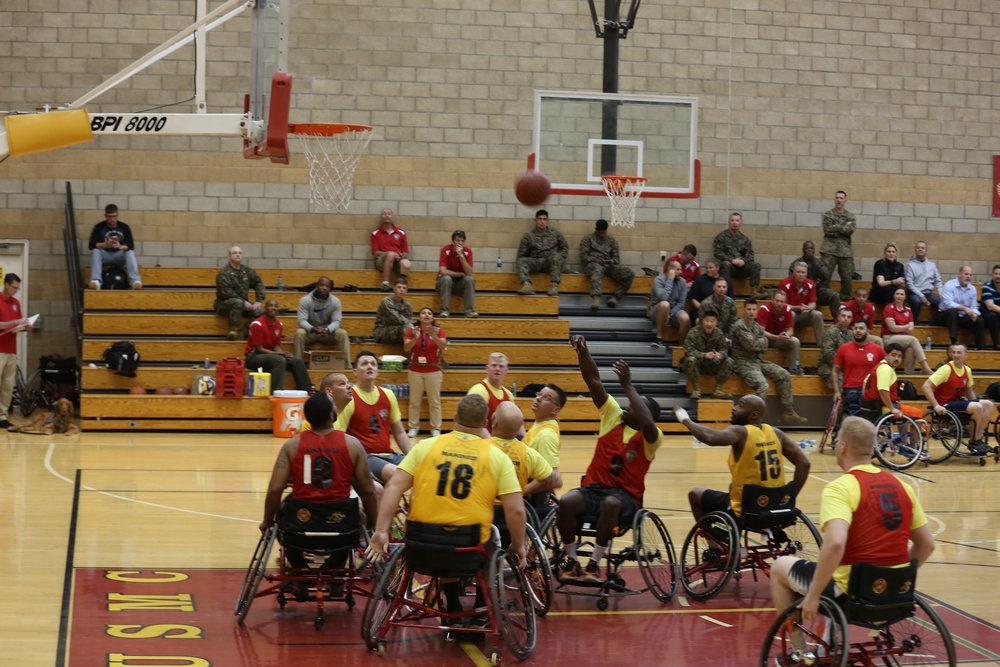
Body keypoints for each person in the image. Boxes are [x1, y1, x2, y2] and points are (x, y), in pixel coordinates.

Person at [769, 417, 935, 650]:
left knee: (779, 567)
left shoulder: (840, 488)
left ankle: (799, 652)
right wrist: (896, 580)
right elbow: (927, 545)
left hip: (851, 592)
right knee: (838, 568)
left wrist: (813, 596)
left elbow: (835, 543)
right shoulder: (903, 486)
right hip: (893, 592)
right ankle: (827, 643)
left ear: (843, 446)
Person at [365, 394, 527, 624]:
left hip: (420, 544)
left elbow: (393, 486)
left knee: (444, 540)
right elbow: (517, 511)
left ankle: (452, 606)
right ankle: (481, 606)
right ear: (485, 425)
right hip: (468, 548)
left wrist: (381, 531)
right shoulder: (497, 457)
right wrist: (519, 545)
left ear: (454, 418)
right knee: (495, 539)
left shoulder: (426, 446)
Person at [556, 335, 662, 583]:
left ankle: (594, 564)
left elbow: (647, 421)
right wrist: (583, 351)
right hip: (594, 490)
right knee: (568, 500)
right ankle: (572, 561)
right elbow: (593, 380)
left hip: (625, 499)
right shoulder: (613, 416)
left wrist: (629, 386)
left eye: (633, 405)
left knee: (611, 504)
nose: (626, 406)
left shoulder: (652, 438)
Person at [259, 392, 378, 582]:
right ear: (331, 415)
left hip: (299, 526)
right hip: (342, 527)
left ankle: (300, 572)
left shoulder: (292, 445)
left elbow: (275, 489)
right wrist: (373, 524)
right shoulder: (353, 444)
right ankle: (334, 571)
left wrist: (267, 521)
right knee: (354, 517)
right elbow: (368, 491)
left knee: (284, 511)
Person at [673, 394, 810, 521]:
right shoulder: (777, 433)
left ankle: (713, 540)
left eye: (741, 405)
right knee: (732, 486)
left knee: (695, 494)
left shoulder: (740, 432)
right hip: (776, 505)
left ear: (754, 414)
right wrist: (789, 499)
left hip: (747, 508)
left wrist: (686, 420)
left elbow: (711, 437)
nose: (734, 408)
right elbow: (804, 463)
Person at [334, 350, 413, 484]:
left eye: (373, 364)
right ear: (355, 371)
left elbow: (399, 433)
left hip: (389, 455)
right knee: (395, 473)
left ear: (377, 371)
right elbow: (339, 436)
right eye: (364, 364)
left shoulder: (388, 395)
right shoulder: (349, 398)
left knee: (422, 469)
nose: (369, 366)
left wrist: (413, 457)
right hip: (366, 457)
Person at [731, 299, 808, 425]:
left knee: (784, 374)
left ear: (756, 311)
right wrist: (759, 342)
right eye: (749, 309)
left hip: (757, 361)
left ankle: (788, 412)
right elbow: (750, 345)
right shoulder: (739, 326)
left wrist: (759, 342)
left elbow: (765, 345)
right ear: (744, 310)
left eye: (753, 309)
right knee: (763, 386)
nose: (751, 312)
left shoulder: (756, 326)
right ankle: (753, 420)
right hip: (743, 363)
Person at [490, 401, 561, 521]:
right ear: (518, 428)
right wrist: (522, 490)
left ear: (494, 422)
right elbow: (556, 481)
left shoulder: (479, 448)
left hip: (485, 515)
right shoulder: (528, 453)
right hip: (513, 517)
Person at [922, 343, 995, 455]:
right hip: (945, 404)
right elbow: (926, 386)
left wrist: (976, 406)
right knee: (978, 407)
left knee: (988, 404)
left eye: (959, 353)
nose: (955, 355)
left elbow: (969, 392)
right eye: (953, 352)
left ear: (965, 355)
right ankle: (973, 441)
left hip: (957, 402)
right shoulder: (946, 369)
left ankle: (978, 438)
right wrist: (936, 406)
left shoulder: (967, 370)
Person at [246, 298, 312, 393]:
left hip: (270, 357)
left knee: (296, 359)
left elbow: (276, 346)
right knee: (279, 360)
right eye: (270, 306)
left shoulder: (279, 324)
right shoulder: (257, 324)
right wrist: (280, 355)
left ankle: (307, 391)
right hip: (254, 357)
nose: (273, 308)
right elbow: (259, 349)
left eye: (275, 306)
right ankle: (276, 392)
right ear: (265, 308)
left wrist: (284, 353)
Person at [404, 307, 446, 438]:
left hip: (433, 370)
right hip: (415, 370)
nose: (426, 315)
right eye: (423, 313)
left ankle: (436, 428)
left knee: (434, 402)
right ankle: (413, 428)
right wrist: (414, 339)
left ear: (433, 318)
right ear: (419, 317)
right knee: (414, 401)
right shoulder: (412, 331)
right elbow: (406, 348)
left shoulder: (439, 331)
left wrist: (433, 335)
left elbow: (443, 346)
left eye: (429, 313)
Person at [523, 383, 566, 513]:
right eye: (539, 394)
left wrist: (522, 491)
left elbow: (550, 479)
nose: (538, 398)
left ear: (555, 410)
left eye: (546, 397)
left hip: (531, 500)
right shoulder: (540, 425)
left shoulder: (546, 435)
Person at [860, 342, 924, 428]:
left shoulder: (879, 366)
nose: (896, 358)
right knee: (918, 413)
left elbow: (865, 383)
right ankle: (915, 442)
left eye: (899, 356)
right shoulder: (886, 369)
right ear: (886, 355)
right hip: (883, 408)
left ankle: (902, 440)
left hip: (871, 407)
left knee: (902, 411)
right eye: (893, 355)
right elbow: (883, 390)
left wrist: (867, 400)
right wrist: (892, 409)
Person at [832, 321, 885, 418]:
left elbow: (885, 371)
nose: (858, 331)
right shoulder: (844, 349)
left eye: (861, 328)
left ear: (868, 331)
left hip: (870, 391)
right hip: (851, 391)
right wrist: (836, 391)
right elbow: (835, 370)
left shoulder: (878, 350)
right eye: (855, 328)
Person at [293, 276, 351, 365]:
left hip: (327, 333)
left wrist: (327, 329)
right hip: (311, 332)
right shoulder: (305, 300)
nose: (324, 288)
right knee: (299, 333)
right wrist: (314, 329)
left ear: (330, 288)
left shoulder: (335, 301)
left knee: (342, 333)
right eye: (322, 285)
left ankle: (348, 366)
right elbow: (302, 321)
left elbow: (336, 321)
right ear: (317, 286)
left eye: (327, 286)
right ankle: (297, 365)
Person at [579, 218, 634, 309]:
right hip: (592, 265)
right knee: (597, 268)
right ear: (596, 229)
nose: (602, 234)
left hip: (607, 265)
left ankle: (615, 297)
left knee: (629, 273)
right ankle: (596, 298)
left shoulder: (611, 241)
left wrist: (613, 261)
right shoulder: (587, 239)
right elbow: (583, 257)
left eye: (604, 232)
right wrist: (595, 259)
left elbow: (616, 257)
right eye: (600, 232)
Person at [0, 274, 32, 430]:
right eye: (14, 288)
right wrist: (14, 322)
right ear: (6, 285)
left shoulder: (16, 303)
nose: (16, 291)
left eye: (18, 288)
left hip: (11, 349)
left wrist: (26, 326)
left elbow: (17, 326)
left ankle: (2, 415)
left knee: (7, 384)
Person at [215, 245, 266, 341]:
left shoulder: (246, 271)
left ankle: (243, 331)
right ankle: (233, 330)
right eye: (234, 253)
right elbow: (226, 292)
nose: (237, 255)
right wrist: (243, 302)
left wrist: (259, 300)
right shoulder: (224, 273)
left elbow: (258, 282)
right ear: (229, 256)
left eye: (240, 253)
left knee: (263, 311)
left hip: (243, 305)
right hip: (224, 305)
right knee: (237, 302)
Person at [88, 203, 142, 290]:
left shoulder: (124, 227)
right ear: (105, 216)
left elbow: (131, 246)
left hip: (119, 256)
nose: (112, 219)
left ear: (118, 215)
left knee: (130, 252)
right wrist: (105, 244)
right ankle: (96, 280)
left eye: (114, 216)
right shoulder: (99, 227)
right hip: (105, 255)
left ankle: (135, 281)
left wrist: (120, 247)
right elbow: (92, 245)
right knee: (95, 251)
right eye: (110, 216)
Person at [881, 286, 933, 375]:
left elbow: (911, 330)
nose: (899, 296)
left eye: (902, 294)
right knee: (913, 340)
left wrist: (900, 327)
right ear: (894, 295)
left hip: (904, 339)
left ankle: (909, 375)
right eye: (897, 294)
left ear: (905, 297)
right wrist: (906, 326)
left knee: (911, 349)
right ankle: (926, 368)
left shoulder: (908, 310)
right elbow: (891, 328)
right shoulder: (889, 308)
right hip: (888, 338)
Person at [682, 310, 733, 401]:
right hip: (699, 364)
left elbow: (724, 349)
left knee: (729, 361)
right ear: (702, 321)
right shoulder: (694, 332)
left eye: (712, 321)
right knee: (690, 360)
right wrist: (704, 355)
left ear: (716, 323)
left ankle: (717, 390)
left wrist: (720, 355)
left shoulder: (719, 333)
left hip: (713, 364)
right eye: (707, 320)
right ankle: (696, 389)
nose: (709, 324)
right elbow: (688, 350)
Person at [516, 209, 568, 296]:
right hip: (535, 262)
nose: (542, 222)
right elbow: (522, 254)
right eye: (540, 219)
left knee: (555, 256)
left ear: (547, 221)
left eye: (544, 219)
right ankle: (527, 285)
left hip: (549, 263)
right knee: (521, 260)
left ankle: (554, 286)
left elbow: (564, 248)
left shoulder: (555, 233)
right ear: (535, 220)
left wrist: (558, 259)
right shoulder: (529, 235)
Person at [713, 212, 765, 298]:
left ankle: (754, 291)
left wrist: (743, 261)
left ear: (740, 223)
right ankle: (727, 291)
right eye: (732, 220)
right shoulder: (721, 237)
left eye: (737, 221)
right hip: (728, 268)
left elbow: (750, 255)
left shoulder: (745, 239)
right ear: (729, 222)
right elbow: (717, 253)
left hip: (742, 268)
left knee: (756, 266)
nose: (734, 222)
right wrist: (732, 260)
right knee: (726, 264)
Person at [467, 352, 517, 435]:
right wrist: (493, 446)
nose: (497, 369)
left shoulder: (508, 395)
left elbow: (514, 424)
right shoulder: (478, 391)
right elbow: (475, 426)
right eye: (494, 365)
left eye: (501, 366)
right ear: (487, 368)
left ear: (506, 370)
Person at [820, 190, 857, 300]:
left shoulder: (850, 216)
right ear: (834, 199)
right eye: (837, 198)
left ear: (845, 200)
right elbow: (827, 230)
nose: (838, 200)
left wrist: (835, 226)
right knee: (824, 276)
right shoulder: (828, 214)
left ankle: (845, 299)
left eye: (841, 198)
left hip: (845, 252)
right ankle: (824, 298)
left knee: (847, 278)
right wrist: (844, 226)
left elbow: (850, 231)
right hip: (829, 251)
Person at [939, 264, 986, 350]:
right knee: (952, 312)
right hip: (945, 316)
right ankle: (954, 342)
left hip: (962, 317)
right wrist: (965, 308)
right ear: (959, 274)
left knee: (980, 321)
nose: (968, 277)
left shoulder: (972, 289)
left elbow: (974, 307)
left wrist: (974, 314)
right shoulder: (949, 284)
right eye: (966, 274)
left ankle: (981, 348)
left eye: (970, 275)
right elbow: (948, 303)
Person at [788, 241, 840, 316]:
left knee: (834, 296)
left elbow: (826, 275)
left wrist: (813, 261)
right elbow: (791, 279)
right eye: (807, 248)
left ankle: (837, 321)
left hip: (816, 290)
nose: (810, 250)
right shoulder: (797, 263)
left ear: (814, 250)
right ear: (803, 250)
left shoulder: (818, 262)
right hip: (801, 291)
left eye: (811, 248)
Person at [779, 262, 825, 347]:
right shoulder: (785, 283)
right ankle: (789, 343)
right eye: (798, 272)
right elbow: (784, 306)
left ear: (806, 274)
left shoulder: (811, 284)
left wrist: (808, 308)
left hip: (804, 314)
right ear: (794, 272)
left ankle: (822, 346)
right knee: (791, 313)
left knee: (818, 314)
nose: (800, 274)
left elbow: (813, 304)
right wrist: (800, 308)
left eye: (803, 272)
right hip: (789, 315)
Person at [757, 291, 803, 375]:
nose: (779, 304)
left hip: (779, 338)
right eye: (777, 301)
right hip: (766, 338)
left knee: (795, 341)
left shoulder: (787, 309)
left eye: (782, 302)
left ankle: (794, 369)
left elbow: (790, 330)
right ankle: (759, 369)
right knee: (760, 340)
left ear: (785, 302)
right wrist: (776, 337)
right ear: (772, 300)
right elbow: (761, 331)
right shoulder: (764, 309)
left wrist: (786, 336)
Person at [435, 229, 477, 319]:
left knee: (470, 279)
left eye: (462, 241)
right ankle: (444, 311)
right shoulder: (445, 250)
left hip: (459, 285)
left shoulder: (467, 252)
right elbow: (443, 271)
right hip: (443, 284)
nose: (460, 243)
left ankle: (469, 311)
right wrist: (462, 274)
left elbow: (469, 273)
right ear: (453, 242)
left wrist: (461, 256)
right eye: (457, 240)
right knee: (447, 278)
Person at [649, 259, 689, 349]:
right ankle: (658, 338)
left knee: (685, 318)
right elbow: (664, 297)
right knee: (665, 304)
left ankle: (681, 345)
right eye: (678, 270)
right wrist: (670, 280)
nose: (681, 272)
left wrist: (670, 314)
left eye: (681, 269)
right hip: (658, 311)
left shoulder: (682, 282)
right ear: (670, 269)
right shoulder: (658, 280)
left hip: (673, 311)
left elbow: (681, 303)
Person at [371, 208, 410, 292]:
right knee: (390, 255)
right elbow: (375, 252)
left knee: (406, 263)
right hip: (381, 260)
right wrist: (390, 253)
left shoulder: (401, 232)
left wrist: (402, 255)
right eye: (384, 214)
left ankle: (402, 287)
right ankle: (385, 284)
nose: (387, 216)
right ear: (380, 218)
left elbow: (405, 251)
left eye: (389, 214)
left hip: (397, 260)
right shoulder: (375, 233)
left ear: (393, 217)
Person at [905, 240, 944, 324]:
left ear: (926, 251)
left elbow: (938, 281)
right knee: (917, 301)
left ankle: (931, 325)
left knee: (942, 303)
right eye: (918, 247)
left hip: (928, 293)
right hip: (914, 293)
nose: (920, 249)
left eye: (922, 248)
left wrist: (941, 293)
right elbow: (909, 284)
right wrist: (921, 296)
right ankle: (914, 324)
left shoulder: (932, 265)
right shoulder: (909, 265)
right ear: (915, 250)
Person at [818, 307, 856, 390]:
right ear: (838, 317)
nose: (846, 318)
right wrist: (846, 364)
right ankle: (840, 402)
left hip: (846, 367)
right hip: (829, 367)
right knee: (843, 385)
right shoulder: (830, 332)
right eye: (843, 316)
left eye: (848, 317)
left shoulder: (851, 334)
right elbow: (829, 354)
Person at [372, 277, 414, 344]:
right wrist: (413, 324)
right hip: (382, 332)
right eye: (399, 287)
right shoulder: (387, 301)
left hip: (399, 329)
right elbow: (397, 318)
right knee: (408, 329)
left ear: (406, 291)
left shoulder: (407, 304)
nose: (401, 290)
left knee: (414, 331)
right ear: (394, 289)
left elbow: (409, 319)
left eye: (404, 288)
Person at [870, 242, 906, 307]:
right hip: (879, 292)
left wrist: (901, 283)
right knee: (889, 289)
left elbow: (902, 283)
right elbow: (881, 283)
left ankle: (901, 313)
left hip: (894, 292)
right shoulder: (879, 264)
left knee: (902, 291)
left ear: (896, 254)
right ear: (885, 253)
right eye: (889, 252)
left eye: (893, 252)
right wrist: (894, 281)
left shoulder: (900, 266)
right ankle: (889, 313)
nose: (891, 254)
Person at [981, 264, 1000, 350]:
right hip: (987, 314)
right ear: (992, 275)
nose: (998, 276)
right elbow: (990, 306)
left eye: (999, 274)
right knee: (993, 315)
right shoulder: (987, 286)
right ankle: (997, 345)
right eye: (996, 274)